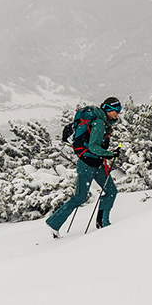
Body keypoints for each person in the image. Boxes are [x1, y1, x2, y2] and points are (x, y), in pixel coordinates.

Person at [45, 97, 122, 237]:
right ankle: (54, 223)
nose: (118, 113)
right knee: (80, 197)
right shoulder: (99, 123)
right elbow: (93, 147)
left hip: (96, 163)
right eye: (115, 110)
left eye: (119, 110)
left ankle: (103, 223)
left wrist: (106, 154)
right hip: (87, 164)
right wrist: (110, 153)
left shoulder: (102, 121)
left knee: (111, 191)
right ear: (107, 109)